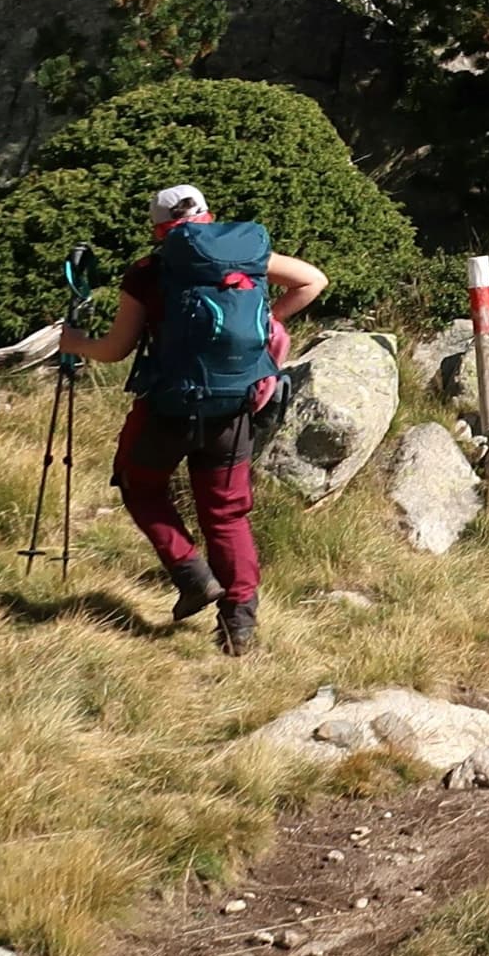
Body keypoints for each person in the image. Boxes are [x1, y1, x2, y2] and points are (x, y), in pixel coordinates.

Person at [58, 183, 327, 656]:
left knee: (139, 484)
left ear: (159, 229)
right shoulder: (248, 256)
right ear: (208, 217)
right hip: (235, 406)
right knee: (225, 513)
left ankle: (192, 576)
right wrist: (271, 320)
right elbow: (313, 280)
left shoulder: (148, 271)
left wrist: (74, 343)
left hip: (168, 406)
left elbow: (117, 349)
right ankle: (239, 625)